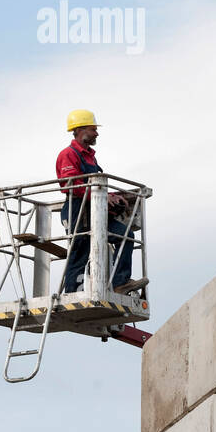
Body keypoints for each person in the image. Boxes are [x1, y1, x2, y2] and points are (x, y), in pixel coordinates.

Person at [55, 109, 142, 295]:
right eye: (93, 129)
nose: (97, 133)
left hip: (94, 209)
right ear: (80, 130)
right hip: (78, 209)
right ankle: (73, 294)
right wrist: (101, 196)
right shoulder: (68, 154)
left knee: (125, 236)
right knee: (80, 253)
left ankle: (120, 283)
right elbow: (72, 186)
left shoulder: (89, 156)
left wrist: (110, 196)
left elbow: (93, 184)